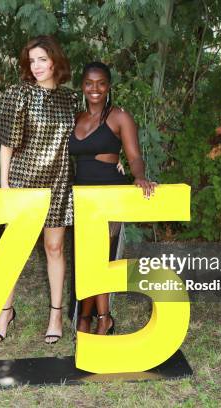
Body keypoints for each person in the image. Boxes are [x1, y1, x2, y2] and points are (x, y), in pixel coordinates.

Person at [0, 36, 78, 344]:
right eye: (32, 61)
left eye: (42, 59)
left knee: (54, 249)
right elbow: (7, 145)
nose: (37, 66)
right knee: (13, 251)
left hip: (58, 182)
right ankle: (5, 311)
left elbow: (84, 138)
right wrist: (5, 186)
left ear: (55, 60)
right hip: (23, 181)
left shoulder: (72, 99)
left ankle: (55, 315)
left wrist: (114, 160)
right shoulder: (20, 94)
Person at [69, 61, 156, 335]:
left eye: (101, 83)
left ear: (109, 86)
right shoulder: (77, 117)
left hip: (109, 194)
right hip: (82, 196)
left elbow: (134, 156)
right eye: (89, 83)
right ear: (82, 86)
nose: (95, 88)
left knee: (100, 257)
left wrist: (139, 176)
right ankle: (86, 315)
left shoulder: (119, 117)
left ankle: (102, 317)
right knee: (85, 257)